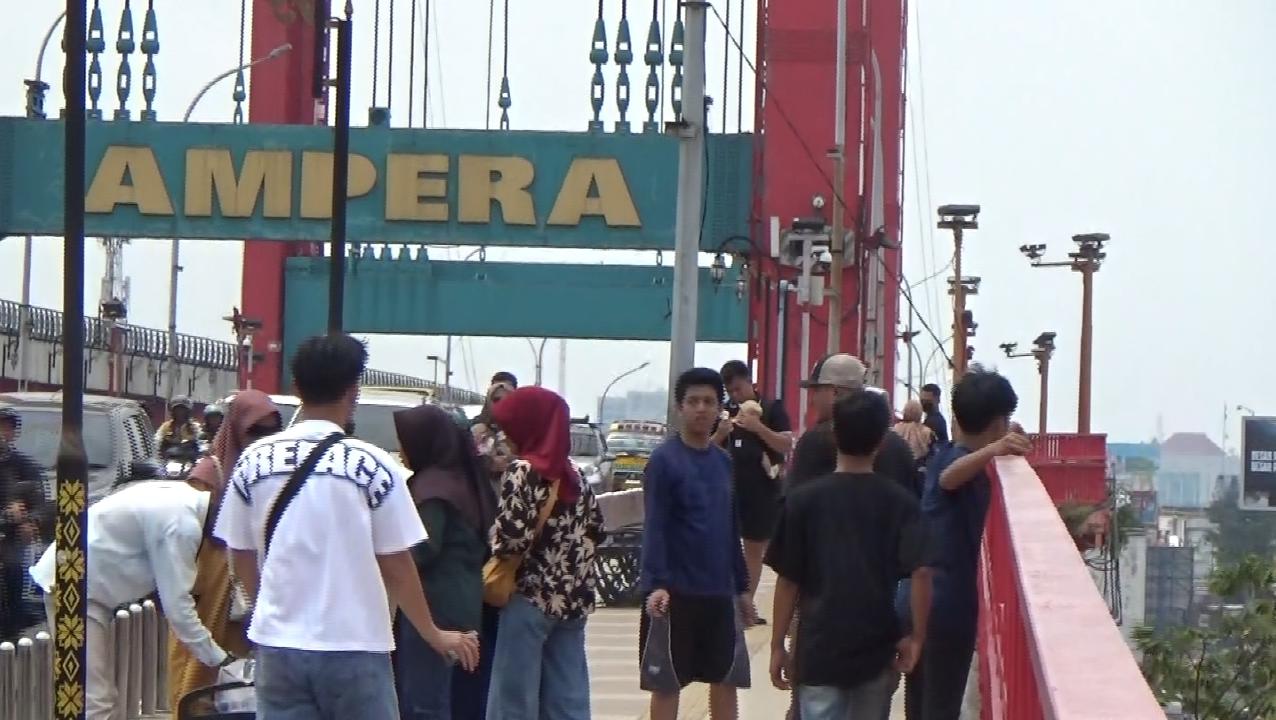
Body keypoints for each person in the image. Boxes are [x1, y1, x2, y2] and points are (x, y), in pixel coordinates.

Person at [215, 334, 478, 719]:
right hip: (356, 646)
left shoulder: (254, 461)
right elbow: (397, 562)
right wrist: (432, 633)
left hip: (277, 647)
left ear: (296, 388)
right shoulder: (374, 466)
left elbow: (238, 549)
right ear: (353, 390)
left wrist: (263, 610)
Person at [767, 390, 934, 720]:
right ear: (882, 441)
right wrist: (916, 637)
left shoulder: (803, 502)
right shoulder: (901, 503)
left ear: (833, 434)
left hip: (818, 649)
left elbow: (788, 581)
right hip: (876, 647)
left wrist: (777, 645)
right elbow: (922, 573)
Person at [28, 480, 234, 720]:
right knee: (94, 700)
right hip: (72, 586)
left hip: (79, 582)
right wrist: (221, 660)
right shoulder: (180, 526)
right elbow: (178, 608)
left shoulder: (183, 497)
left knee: (97, 696)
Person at [908, 369, 1028, 720]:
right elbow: (949, 478)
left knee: (922, 702)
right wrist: (996, 448)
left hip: (927, 599)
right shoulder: (953, 461)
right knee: (941, 705)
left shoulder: (949, 451)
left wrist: (995, 448)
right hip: (948, 607)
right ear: (996, 424)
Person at [485, 386, 605, 720]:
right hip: (572, 603)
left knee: (513, 702)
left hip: (529, 599)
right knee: (568, 702)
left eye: (511, 427)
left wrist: (493, 536)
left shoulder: (522, 471)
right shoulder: (576, 476)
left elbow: (511, 539)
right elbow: (597, 528)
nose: (507, 436)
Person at [641, 368, 752, 720]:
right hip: (674, 594)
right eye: (693, 402)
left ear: (720, 408)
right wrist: (655, 585)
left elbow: (730, 526)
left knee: (726, 680)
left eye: (709, 401)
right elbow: (655, 526)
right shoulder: (663, 461)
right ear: (679, 407)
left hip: (719, 592)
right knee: (667, 684)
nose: (701, 409)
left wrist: (743, 588)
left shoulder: (722, 462)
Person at [168, 390, 281, 708]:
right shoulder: (208, 475)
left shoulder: (272, 473)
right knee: (197, 674)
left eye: (272, 432)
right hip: (209, 592)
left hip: (252, 591)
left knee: (240, 682)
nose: (263, 440)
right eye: (256, 431)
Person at [392, 404, 498, 720]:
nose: (400, 450)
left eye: (405, 441)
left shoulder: (432, 490)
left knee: (425, 704)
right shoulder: (462, 479)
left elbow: (420, 551)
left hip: (434, 612)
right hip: (464, 607)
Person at [716, 359, 792, 625]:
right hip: (727, 490)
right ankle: (726, 602)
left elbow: (785, 444)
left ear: (750, 382)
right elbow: (707, 449)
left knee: (753, 549)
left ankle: (745, 605)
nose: (736, 396)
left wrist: (757, 427)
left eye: (739, 389)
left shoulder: (772, 408)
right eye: (731, 392)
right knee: (723, 547)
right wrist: (722, 433)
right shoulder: (725, 414)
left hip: (762, 491)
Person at [788, 354, 917, 496]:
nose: (812, 400)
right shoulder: (898, 445)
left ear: (835, 392)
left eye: (816, 391)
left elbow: (793, 503)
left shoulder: (816, 440)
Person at [893, 399, 936, 478]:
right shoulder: (927, 432)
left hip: (898, 470)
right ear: (920, 412)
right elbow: (932, 455)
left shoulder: (895, 429)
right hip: (919, 471)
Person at [156, 396, 202, 463]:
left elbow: (200, 444)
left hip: (189, 461)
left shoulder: (195, 427)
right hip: (169, 461)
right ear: (173, 411)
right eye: (177, 409)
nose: (180, 412)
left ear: (188, 411)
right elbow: (157, 443)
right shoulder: (165, 426)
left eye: (183, 409)